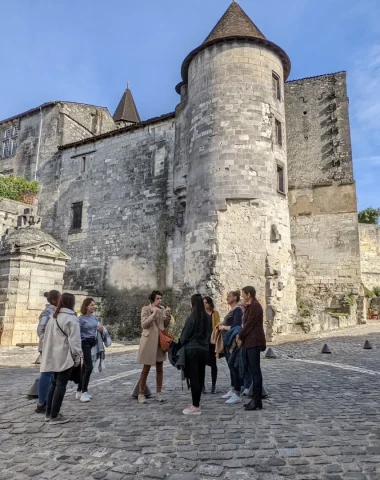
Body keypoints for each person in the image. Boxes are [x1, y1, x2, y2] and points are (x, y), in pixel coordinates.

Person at [41, 293, 82, 424]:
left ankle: (48, 412)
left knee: (53, 384)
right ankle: (54, 414)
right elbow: (74, 341)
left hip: (52, 355)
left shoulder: (54, 317)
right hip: (64, 356)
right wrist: (77, 356)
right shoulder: (71, 319)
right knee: (60, 386)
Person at [180, 294, 212, 415]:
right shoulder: (208, 317)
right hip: (204, 350)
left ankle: (195, 406)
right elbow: (210, 333)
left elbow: (184, 336)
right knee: (200, 376)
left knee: (194, 377)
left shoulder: (191, 318)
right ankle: (196, 402)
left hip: (192, 350)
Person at [137, 291, 171, 404]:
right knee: (146, 368)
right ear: (153, 299)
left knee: (160, 368)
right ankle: (141, 393)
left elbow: (164, 325)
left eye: (160, 298)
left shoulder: (161, 309)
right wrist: (153, 314)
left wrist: (168, 315)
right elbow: (144, 325)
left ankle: (159, 392)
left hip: (159, 342)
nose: (160, 300)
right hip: (148, 341)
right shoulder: (145, 309)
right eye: (158, 298)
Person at [236, 286, 266, 411]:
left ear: (249, 294)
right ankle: (255, 399)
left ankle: (257, 399)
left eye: (243, 294)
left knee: (255, 371)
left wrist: (239, 335)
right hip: (249, 342)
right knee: (253, 370)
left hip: (254, 342)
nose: (242, 296)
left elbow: (249, 324)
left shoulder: (255, 306)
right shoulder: (250, 306)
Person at [35, 290, 61, 414]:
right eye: (60, 298)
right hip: (47, 347)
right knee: (46, 373)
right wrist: (49, 341)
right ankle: (42, 402)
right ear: (54, 300)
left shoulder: (58, 312)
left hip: (55, 347)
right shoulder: (47, 312)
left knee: (51, 375)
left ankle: (47, 400)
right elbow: (41, 330)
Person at [75, 298, 104, 402]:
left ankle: (79, 390)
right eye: (91, 305)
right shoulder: (80, 319)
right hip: (84, 343)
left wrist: (100, 329)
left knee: (84, 367)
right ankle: (84, 392)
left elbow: (98, 328)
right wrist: (79, 350)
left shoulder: (94, 318)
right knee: (89, 367)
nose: (93, 307)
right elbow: (77, 334)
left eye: (94, 305)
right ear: (86, 306)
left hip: (93, 343)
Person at [218, 291, 243, 402]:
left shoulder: (237, 310)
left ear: (235, 297)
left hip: (233, 342)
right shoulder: (232, 311)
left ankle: (237, 391)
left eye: (229, 296)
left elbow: (236, 325)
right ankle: (233, 388)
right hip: (227, 341)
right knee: (230, 365)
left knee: (234, 365)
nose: (227, 298)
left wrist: (224, 327)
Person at [203, 296, 220, 394]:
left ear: (210, 303)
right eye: (203, 303)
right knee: (202, 364)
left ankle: (213, 385)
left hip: (212, 341)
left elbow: (217, 325)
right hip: (203, 342)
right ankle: (202, 386)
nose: (205, 304)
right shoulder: (201, 314)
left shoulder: (215, 313)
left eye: (206, 302)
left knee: (213, 364)